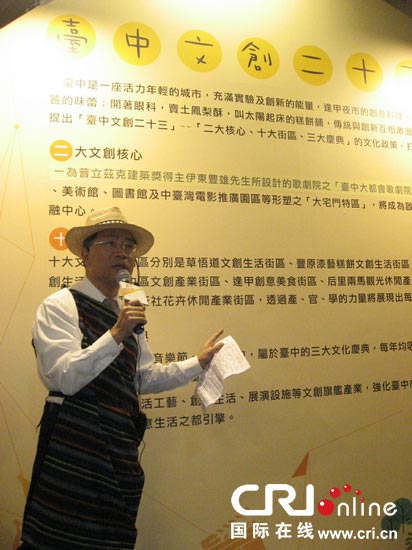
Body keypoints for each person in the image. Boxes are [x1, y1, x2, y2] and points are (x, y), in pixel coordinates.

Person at [19, 206, 224, 550]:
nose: (122, 252)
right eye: (110, 243)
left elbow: (141, 379)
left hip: (119, 450)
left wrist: (198, 363)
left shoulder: (127, 310)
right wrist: (116, 333)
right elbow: (63, 378)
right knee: (61, 536)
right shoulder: (60, 305)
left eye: (128, 246)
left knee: (111, 538)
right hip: (74, 449)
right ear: (84, 253)